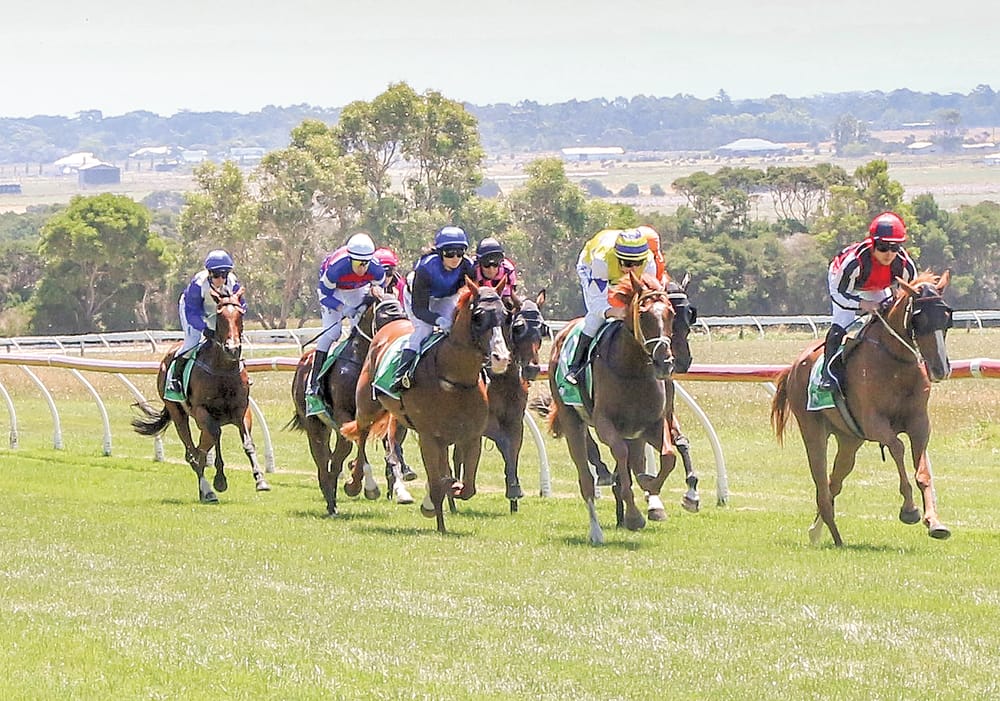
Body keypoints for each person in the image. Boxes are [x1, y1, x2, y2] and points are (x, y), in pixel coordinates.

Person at [818, 211, 918, 390]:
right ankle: (827, 373)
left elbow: (909, 297)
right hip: (845, 284)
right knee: (843, 323)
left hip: (877, 286)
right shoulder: (854, 262)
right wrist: (863, 304)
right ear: (872, 243)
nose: (889, 254)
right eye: (882, 247)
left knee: (889, 321)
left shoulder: (905, 266)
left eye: (894, 248)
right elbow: (839, 295)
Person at [565, 228, 657, 384]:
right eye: (628, 264)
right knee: (595, 318)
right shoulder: (601, 261)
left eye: (637, 263)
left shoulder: (649, 262)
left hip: (613, 264)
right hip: (589, 266)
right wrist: (614, 312)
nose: (633, 269)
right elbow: (596, 303)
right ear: (618, 258)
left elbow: (648, 297)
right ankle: (575, 367)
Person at [392, 225, 476, 392]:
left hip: (446, 296)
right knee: (424, 330)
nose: (455, 258)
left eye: (460, 252)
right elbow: (420, 310)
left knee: (456, 328)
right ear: (440, 253)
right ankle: (401, 375)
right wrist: (438, 320)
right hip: (417, 299)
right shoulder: (425, 269)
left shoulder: (467, 265)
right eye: (449, 253)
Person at [308, 233, 385, 400]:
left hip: (358, 288)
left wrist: (366, 303)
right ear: (350, 259)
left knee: (362, 329)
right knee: (333, 333)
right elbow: (324, 295)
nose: (362, 268)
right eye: (358, 263)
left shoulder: (377, 269)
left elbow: (379, 291)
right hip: (333, 291)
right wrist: (342, 309)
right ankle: (313, 382)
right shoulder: (337, 268)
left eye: (366, 263)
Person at [166, 249, 246, 398]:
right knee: (192, 342)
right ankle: (174, 378)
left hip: (218, 310)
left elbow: (242, 305)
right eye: (217, 275)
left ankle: (241, 374)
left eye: (224, 274)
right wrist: (204, 328)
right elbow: (192, 312)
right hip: (193, 309)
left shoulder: (233, 283)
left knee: (231, 342)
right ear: (209, 273)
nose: (221, 279)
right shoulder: (198, 284)